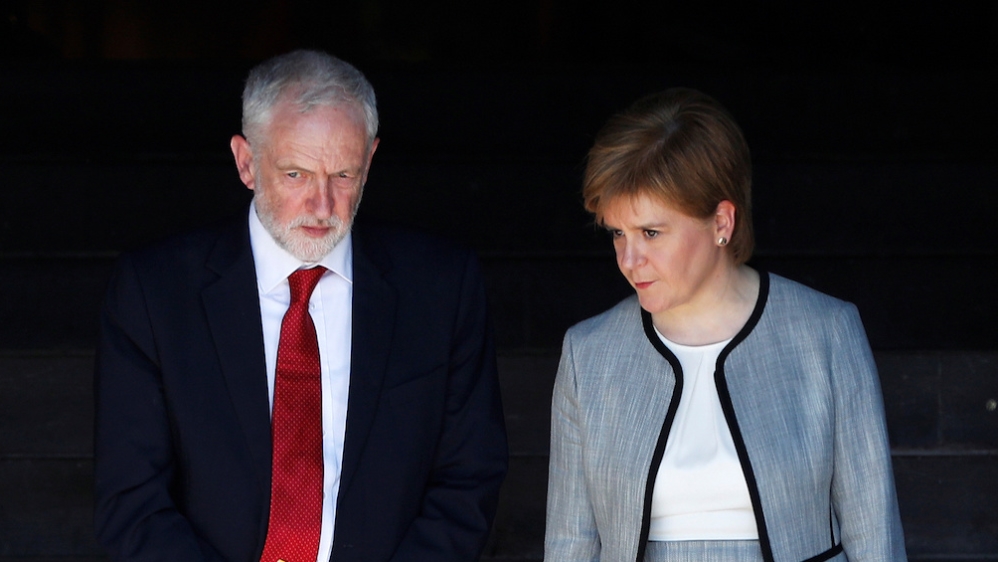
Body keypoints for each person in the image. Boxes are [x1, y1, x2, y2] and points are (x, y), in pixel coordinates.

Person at [94, 49, 507, 562]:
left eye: (343, 175)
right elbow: (132, 502)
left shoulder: (441, 288)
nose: (322, 205)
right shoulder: (155, 294)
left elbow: (469, 479)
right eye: (296, 175)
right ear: (246, 162)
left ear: (370, 161)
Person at [544, 88, 906, 562]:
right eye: (617, 233)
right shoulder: (589, 354)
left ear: (722, 222)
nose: (629, 260)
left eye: (651, 232)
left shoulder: (826, 334)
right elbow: (570, 543)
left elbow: (874, 535)